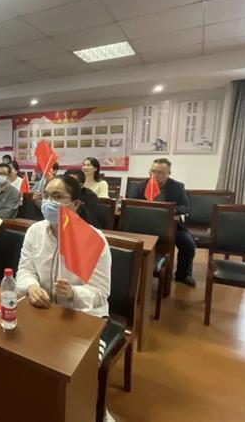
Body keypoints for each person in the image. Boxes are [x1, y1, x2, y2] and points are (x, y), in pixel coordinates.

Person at [15, 175, 114, 422]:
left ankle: (93, 410)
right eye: (47, 196)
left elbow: (100, 293)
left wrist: (73, 294)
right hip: (43, 310)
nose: (49, 202)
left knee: (76, 371)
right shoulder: (35, 231)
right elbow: (24, 271)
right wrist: (31, 287)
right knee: (18, 354)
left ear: (76, 204)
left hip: (85, 318)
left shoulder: (93, 240)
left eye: (57, 197)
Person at [130, 158, 196, 287]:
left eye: (160, 172)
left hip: (171, 226)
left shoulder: (177, 187)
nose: (156, 175)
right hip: (144, 225)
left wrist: (170, 209)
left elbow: (186, 207)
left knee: (188, 244)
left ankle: (183, 274)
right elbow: (131, 203)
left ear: (168, 173)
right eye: (153, 171)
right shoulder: (140, 186)